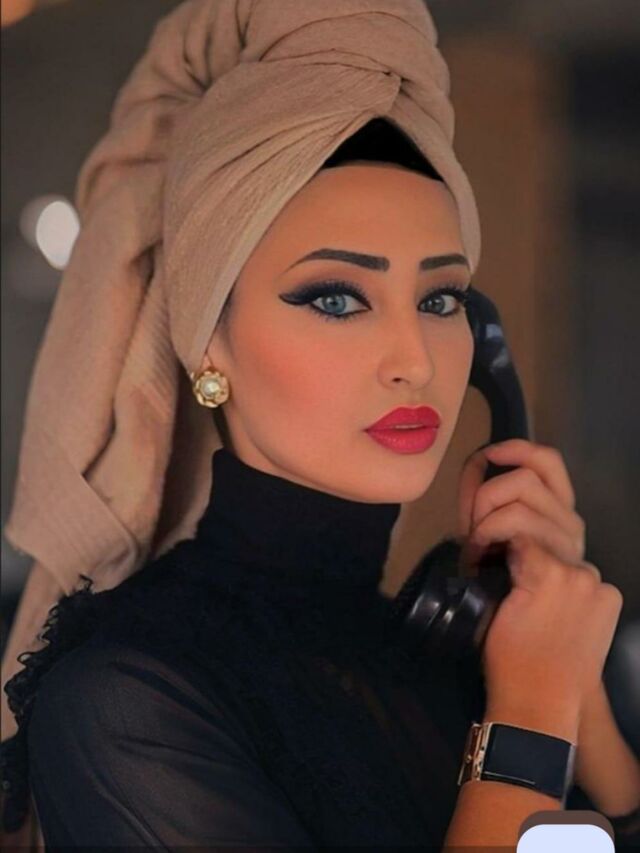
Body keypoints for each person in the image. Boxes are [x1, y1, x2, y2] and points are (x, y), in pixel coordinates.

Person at [1, 0, 639, 848]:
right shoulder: (126, 702)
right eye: (336, 298)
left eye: (441, 298)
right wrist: (531, 714)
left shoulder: (469, 654)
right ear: (207, 344)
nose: (414, 359)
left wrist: (571, 673)